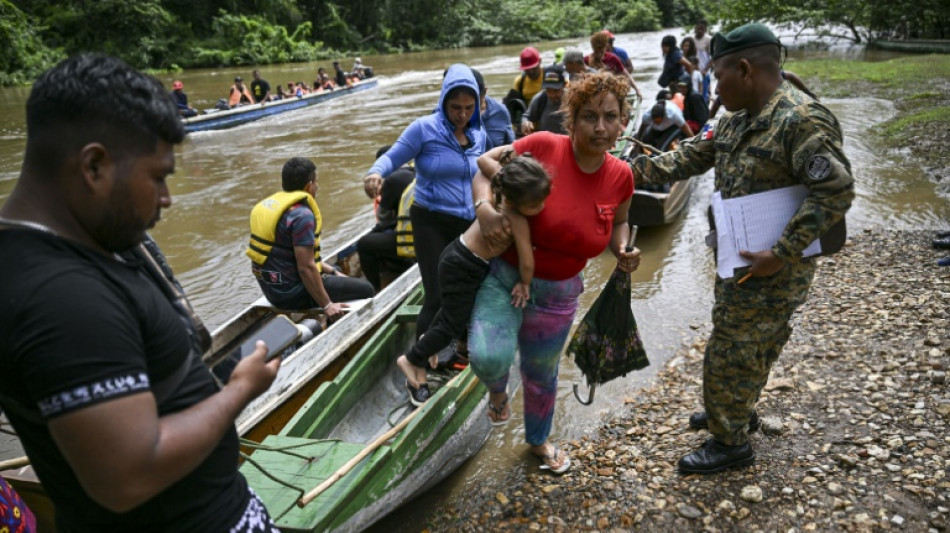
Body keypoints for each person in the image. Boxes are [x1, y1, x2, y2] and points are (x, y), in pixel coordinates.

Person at [0, 54, 282, 531]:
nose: (168, 199)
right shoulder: (63, 299)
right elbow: (128, 475)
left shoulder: (59, 245)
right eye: (157, 177)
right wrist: (239, 391)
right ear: (94, 166)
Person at [631, 23, 854, 474]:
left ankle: (730, 443)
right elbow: (691, 156)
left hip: (774, 267)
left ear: (746, 69)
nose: (712, 84)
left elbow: (835, 190)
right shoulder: (734, 117)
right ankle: (735, 410)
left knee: (732, 348)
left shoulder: (800, 120)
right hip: (739, 255)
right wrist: (626, 172)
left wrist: (783, 252)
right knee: (747, 343)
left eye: (717, 75)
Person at [469, 71, 640, 474]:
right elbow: (482, 169)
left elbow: (620, 222)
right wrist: (486, 210)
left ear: (622, 124)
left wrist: (622, 248)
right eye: (589, 117)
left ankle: (538, 441)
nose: (600, 127)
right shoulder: (542, 146)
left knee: (540, 373)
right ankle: (497, 393)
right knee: (487, 354)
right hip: (506, 275)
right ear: (572, 119)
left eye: (610, 117)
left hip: (560, 292)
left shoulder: (621, 176)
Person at [397, 155, 551, 405]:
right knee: (452, 325)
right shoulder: (517, 218)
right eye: (537, 203)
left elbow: (488, 161)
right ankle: (412, 358)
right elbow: (527, 261)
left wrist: (512, 151)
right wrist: (524, 282)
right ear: (519, 202)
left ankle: (428, 343)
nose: (543, 207)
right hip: (466, 266)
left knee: (448, 312)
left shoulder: (498, 195)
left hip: (454, 253)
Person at [363, 64, 486, 361]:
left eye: (469, 108)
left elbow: (486, 171)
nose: (462, 114)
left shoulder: (479, 134)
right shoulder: (424, 129)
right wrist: (375, 174)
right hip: (430, 219)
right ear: (443, 101)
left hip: (468, 222)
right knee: (436, 294)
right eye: (455, 107)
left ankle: (462, 347)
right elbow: (392, 156)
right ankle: (419, 366)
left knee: (468, 289)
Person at [249, 157, 374, 319]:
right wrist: (327, 305)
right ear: (309, 185)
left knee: (335, 278)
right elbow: (306, 267)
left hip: (272, 291)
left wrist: (333, 271)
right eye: (316, 182)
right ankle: (333, 322)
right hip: (293, 294)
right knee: (367, 289)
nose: (317, 186)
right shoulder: (302, 215)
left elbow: (292, 255)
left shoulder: (267, 208)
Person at [357, 145, 416, 292]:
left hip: (414, 243)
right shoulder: (415, 170)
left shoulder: (392, 180)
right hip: (430, 234)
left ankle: (374, 290)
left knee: (364, 244)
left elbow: (384, 220)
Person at [585, 31, 642, 100]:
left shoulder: (613, 57)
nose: (600, 52)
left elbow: (626, 73)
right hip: (595, 92)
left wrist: (637, 89)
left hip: (613, 89)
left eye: (601, 49)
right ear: (593, 48)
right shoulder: (586, 60)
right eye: (597, 50)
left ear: (606, 47)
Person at [471, 68, 515, 150]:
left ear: (484, 92)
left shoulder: (501, 111)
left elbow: (511, 147)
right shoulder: (450, 115)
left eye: (475, 99)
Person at [521, 65, 568, 135]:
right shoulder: (540, 99)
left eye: (556, 91)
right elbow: (526, 117)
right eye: (548, 90)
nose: (552, 95)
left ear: (564, 85)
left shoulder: (573, 99)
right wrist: (525, 123)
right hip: (547, 144)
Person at [694, 19, 713, 102]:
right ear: (695, 28)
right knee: (695, 93)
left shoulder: (709, 39)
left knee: (704, 95)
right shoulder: (691, 39)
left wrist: (705, 70)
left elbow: (713, 57)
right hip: (694, 71)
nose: (700, 31)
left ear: (705, 30)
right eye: (698, 28)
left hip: (705, 72)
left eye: (702, 29)